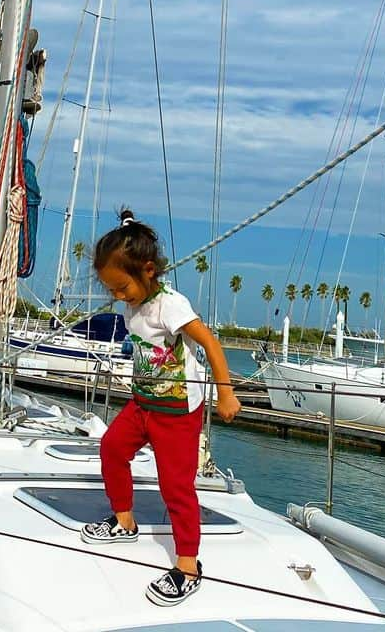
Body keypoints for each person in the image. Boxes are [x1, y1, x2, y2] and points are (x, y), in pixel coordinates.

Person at [81, 210, 241, 607]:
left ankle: (187, 566)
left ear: (148, 270)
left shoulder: (170, 305)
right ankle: (124, 521)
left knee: (176, 487)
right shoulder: (133, 304)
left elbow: (211, 345)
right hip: (144, 404)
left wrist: (226, 393)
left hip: (177, 412)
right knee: (112, 449)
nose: (118, 297)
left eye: (122, 288)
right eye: (112, 290)